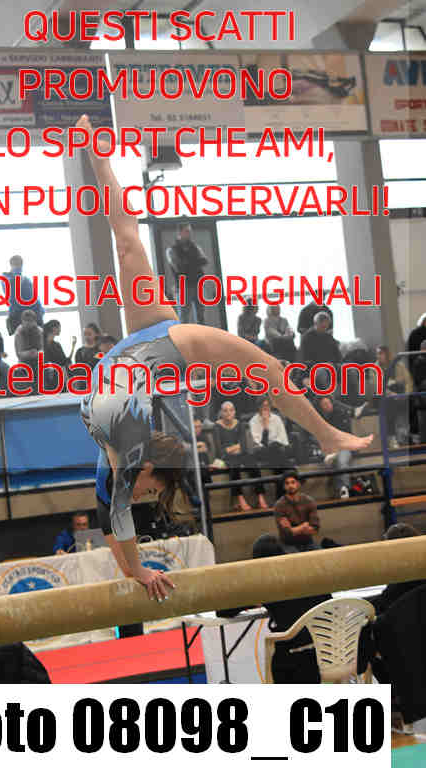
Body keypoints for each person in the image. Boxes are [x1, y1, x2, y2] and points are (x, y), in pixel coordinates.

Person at [77, 113, 372, 603]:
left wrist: (137, 570)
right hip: (155, 347)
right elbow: (116, 522)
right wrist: (137, 571)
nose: (140, 493)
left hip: (155, 345)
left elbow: (114, 522)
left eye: (146, 491)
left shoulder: (121, 457)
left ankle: (97, 159)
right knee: (128, 243)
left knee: (128, 241)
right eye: (149, 491)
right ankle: (326, 433)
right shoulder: (122, 459)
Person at [217, 534, 331, 683]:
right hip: (331, 652)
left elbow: (223, 611)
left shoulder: (267, 582)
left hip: (295, 661)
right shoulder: (310, 570)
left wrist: (254, 601)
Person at [214, 400, 267, 511]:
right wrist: (235, 447)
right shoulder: (217, 426)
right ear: (221, 413)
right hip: (226, 457)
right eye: (225, 411)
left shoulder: (240, 424)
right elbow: (220, 451)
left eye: (231, 410)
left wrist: (231, 448)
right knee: (234, 466)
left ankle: (260, 497)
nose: (228, 413)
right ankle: (240, 499)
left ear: (234, 412)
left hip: (240, 453)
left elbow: (243, 445)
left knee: (253, 463)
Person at [167, 220, 208, 325]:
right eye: (187, 231)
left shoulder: (195, 247)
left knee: (201, 317)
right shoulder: (172, 250)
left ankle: (202, 334)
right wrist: (195, 263)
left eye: (190, 231)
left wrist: (187, 263)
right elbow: (179, 268)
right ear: (180, 233)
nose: (189, 234)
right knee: (184, 318)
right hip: (183, 286)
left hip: (197, 284)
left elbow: (204, 261)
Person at [315, 395, 353, 498]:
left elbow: (346, 435)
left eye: (328, 403)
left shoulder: (341, 415)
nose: (327, 406)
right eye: (324, 404)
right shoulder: (318, 419)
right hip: (328, 448)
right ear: (320, 407)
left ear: (332, 403)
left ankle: (343, 488)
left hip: (344, 447)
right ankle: (339, 487)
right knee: (330, 459)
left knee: (341, 461)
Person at [274, 469, 320, 551]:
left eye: (293, 482)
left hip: (308, 542)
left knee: (320, 553)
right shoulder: (279, 505)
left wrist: (295, 530)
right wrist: (303, 527)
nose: (290, 486)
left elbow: (315, 529)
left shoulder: (309, 501)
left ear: (298, 484)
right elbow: (287, 533)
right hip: (288, 544)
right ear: (284, 486)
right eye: (287, 483)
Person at [3, 255, 44, 335]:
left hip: (34, 315)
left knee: (37, 340)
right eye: (16, 264)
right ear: (11, 265)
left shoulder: (26, 280)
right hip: (19, 316)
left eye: (20, 264)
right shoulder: (7, 278)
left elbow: (34, 296)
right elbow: (12, 296)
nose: (19, 266)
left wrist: (40, 311)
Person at [14, 309, 43, 385]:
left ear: (34, 321)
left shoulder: (40, 331)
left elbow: (44, 350)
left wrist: (37, 353)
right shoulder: (18, 333)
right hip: (24, 360)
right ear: (22, 321)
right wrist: (28, 353)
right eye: (25, 320)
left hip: (38, 359)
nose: (27, 323)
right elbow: (19, 354)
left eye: (30, 320)